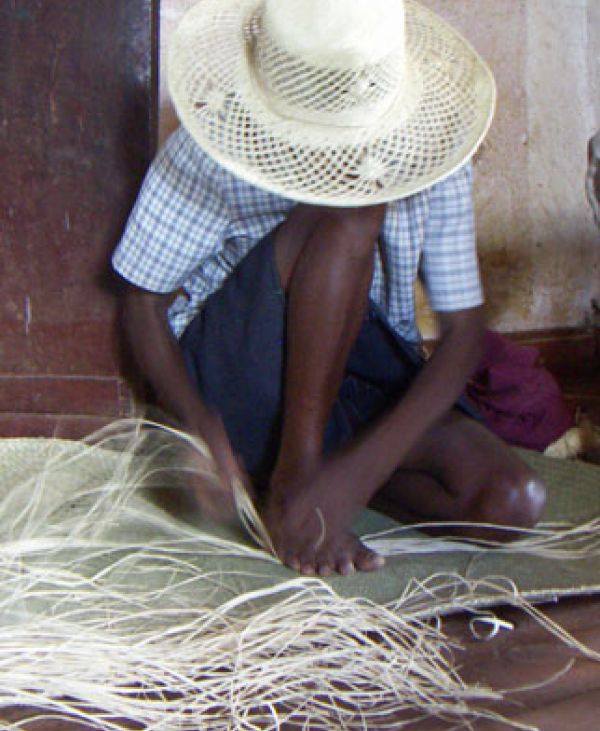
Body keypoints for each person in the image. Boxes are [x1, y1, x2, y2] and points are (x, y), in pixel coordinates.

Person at [113, 0, 546, 577]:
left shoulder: (432, 146)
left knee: (512, 501)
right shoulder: (213, 137)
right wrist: (202, 431)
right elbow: (141, 302)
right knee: (352, 210)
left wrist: (356, 475)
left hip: (352, 367)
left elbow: (463, 334)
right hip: (241, 380)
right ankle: (294, 475)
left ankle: (299, 487)